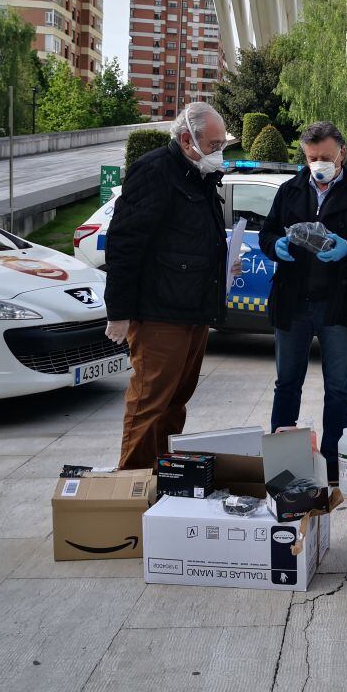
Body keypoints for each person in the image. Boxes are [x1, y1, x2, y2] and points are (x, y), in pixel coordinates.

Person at [104, 102, 237, 470]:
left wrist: (224, 264)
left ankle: (162, 478)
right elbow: (124, 244)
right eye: (213, 145)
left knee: (175, 403)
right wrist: (119, 312)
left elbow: (189, 240)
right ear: (186, 139)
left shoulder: (201, 176)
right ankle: (130, 489)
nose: (218, 152)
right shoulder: (155, 172)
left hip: (193, 311)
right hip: (160, 314)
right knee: (149, 404)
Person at [259, 121, 347, 481]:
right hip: (293, 300)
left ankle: (333, 458)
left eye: (326, 157)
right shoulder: (290, 190)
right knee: (287, 383)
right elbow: (268, 232)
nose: (319, 164)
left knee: (338, 386)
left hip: (339, 302)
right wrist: (276, 246)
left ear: (342, 154)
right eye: (312, 157)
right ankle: (282, 456)